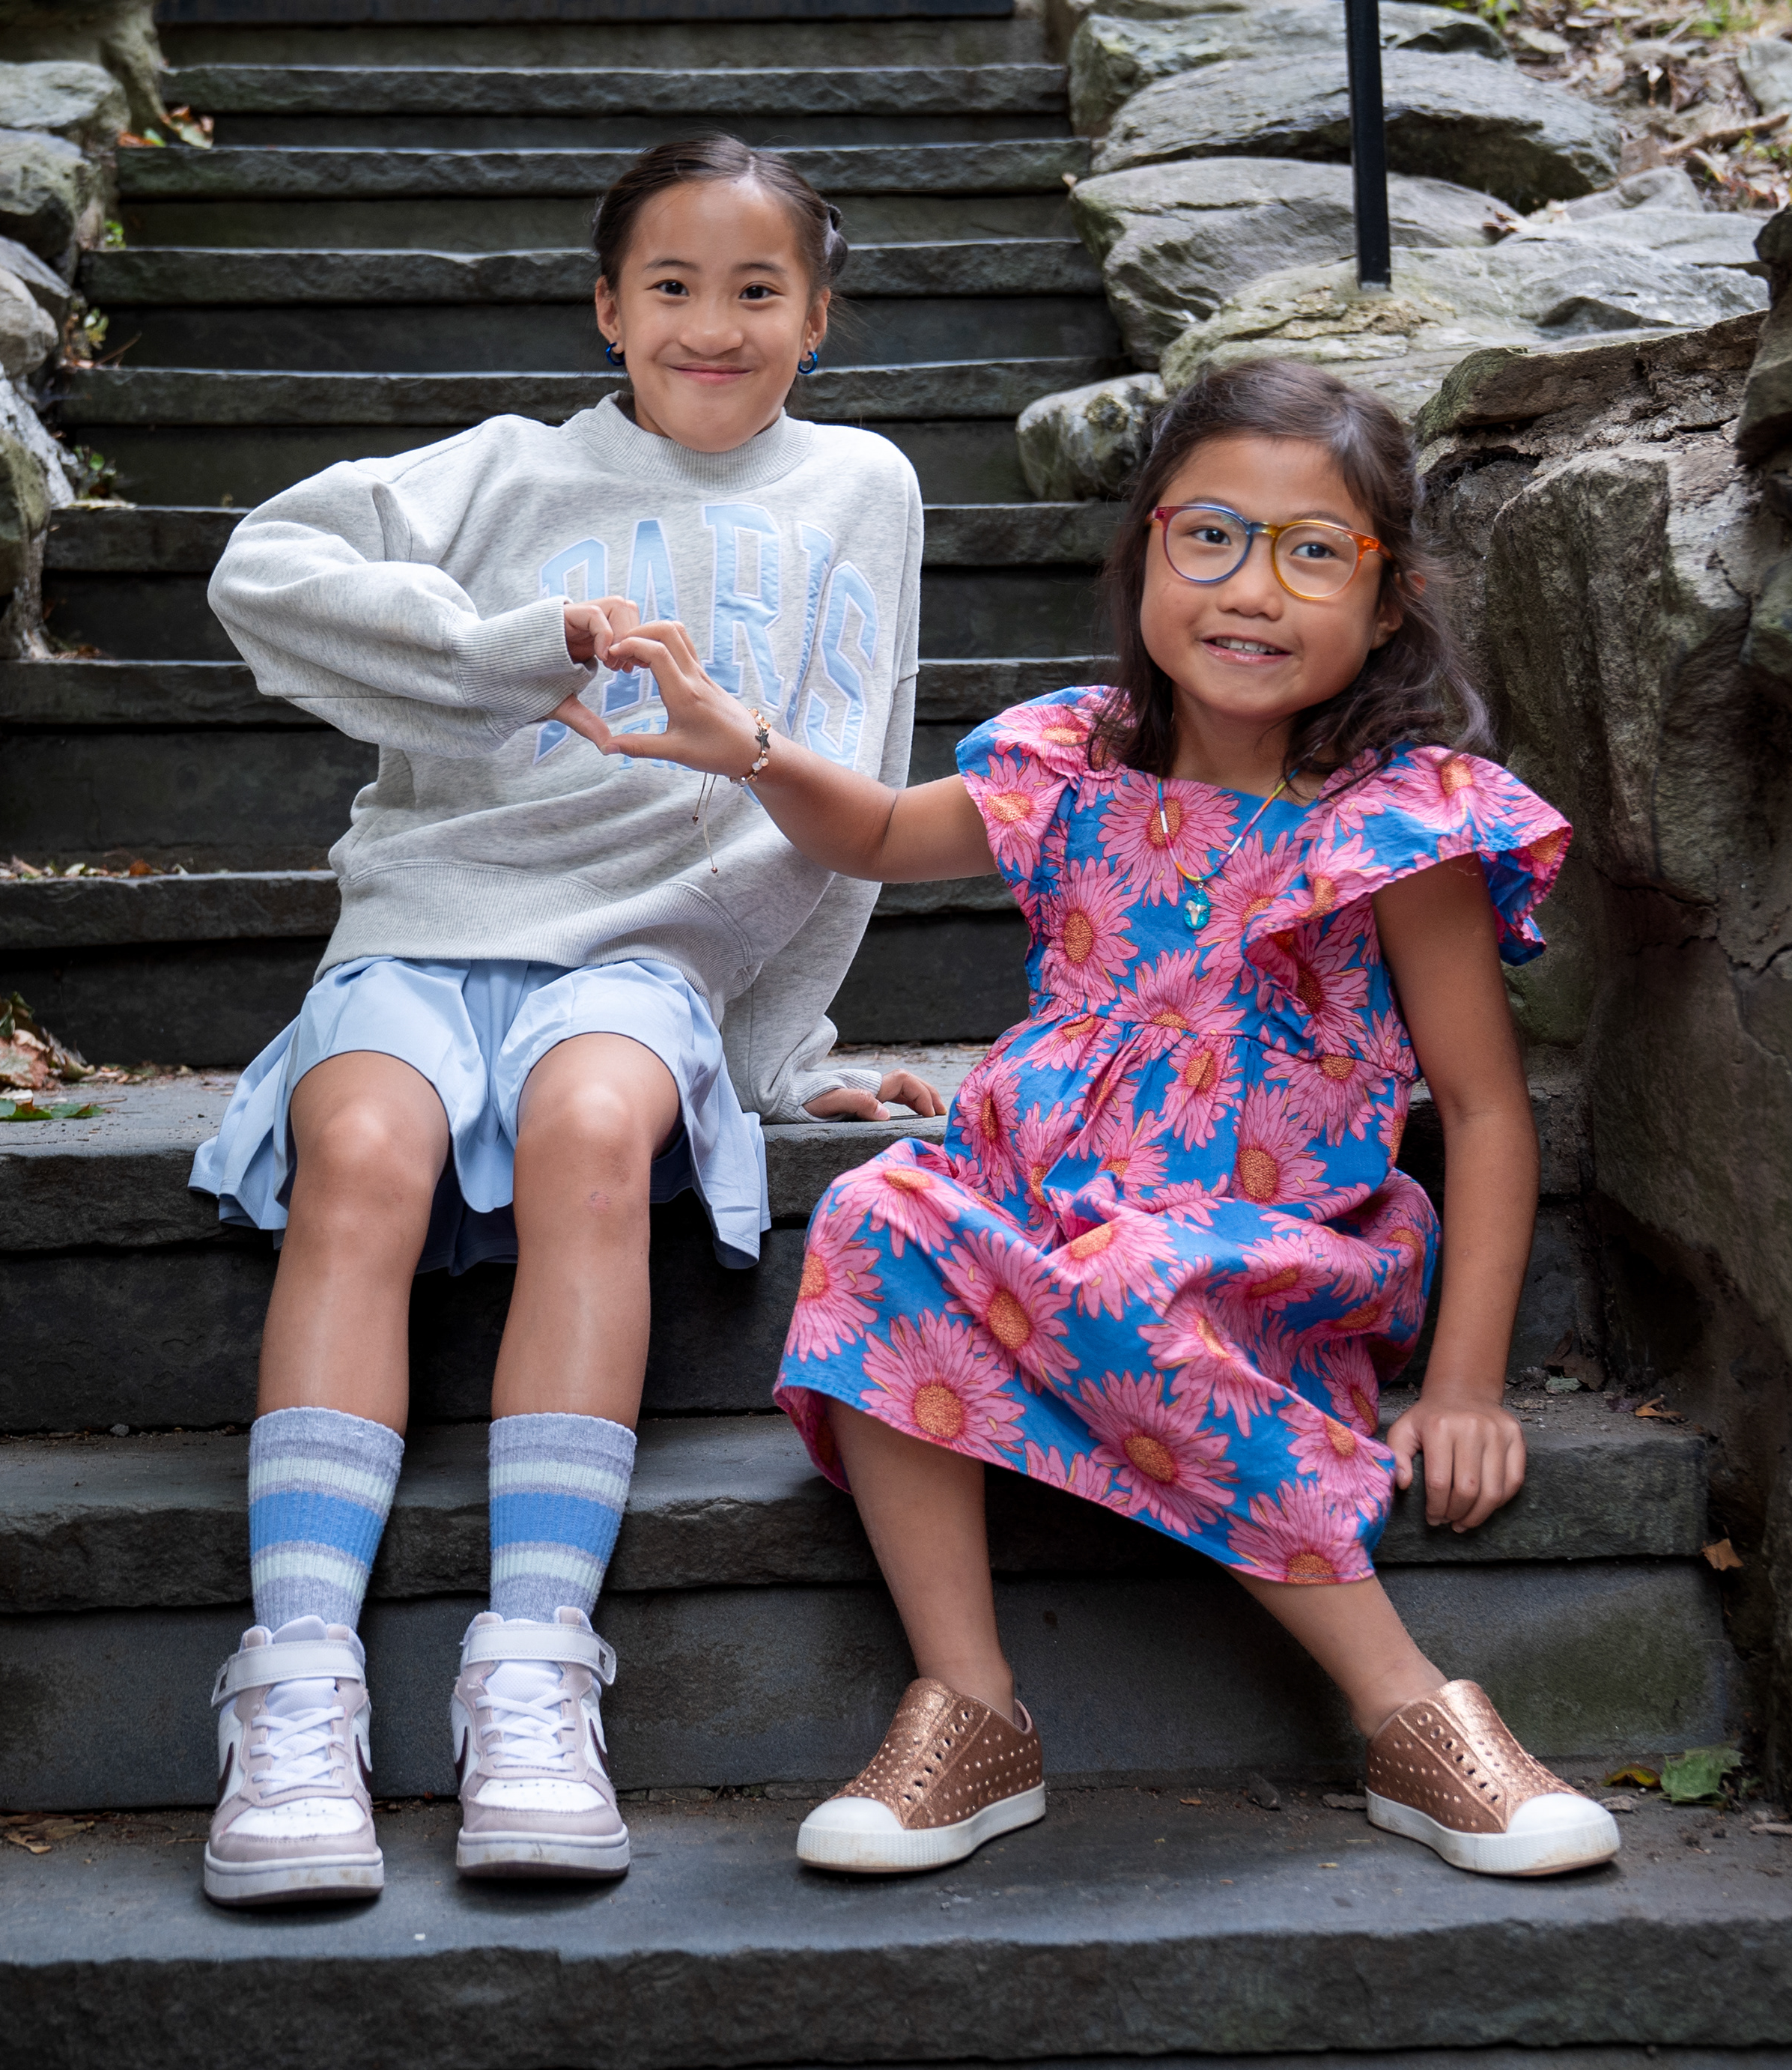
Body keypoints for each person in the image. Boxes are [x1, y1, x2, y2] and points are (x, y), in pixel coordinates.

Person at [584, 355, 1621, 1882]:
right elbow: (879, 833)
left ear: (1388, 599)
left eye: (1312, 550)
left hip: (1260, 1257)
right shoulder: (1072, 764)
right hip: (1043, 1218)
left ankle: (1409, 1707)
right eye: (1210, 536)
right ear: (1145, 551)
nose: (1251, 588)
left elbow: (1478, 1105)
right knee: (873, 1209)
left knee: (1132, 1273)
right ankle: (970, 1704)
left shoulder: (1398, 823)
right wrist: (744, 740)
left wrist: (1467, 1383)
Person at [183, 136, 942, 1906]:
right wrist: (506, 649)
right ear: (608, 306)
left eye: (757, 289)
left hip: (645, 951)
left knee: (594, 1128)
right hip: (429, 914)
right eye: (671, 285)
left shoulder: (865, 486)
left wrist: (773, 1052)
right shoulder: (504, 467)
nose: (711, 323)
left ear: (818, 318)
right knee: (362, 1145)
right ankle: (295, 1675)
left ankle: (533, 1666)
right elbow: (260, 569)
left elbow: (856, 753)